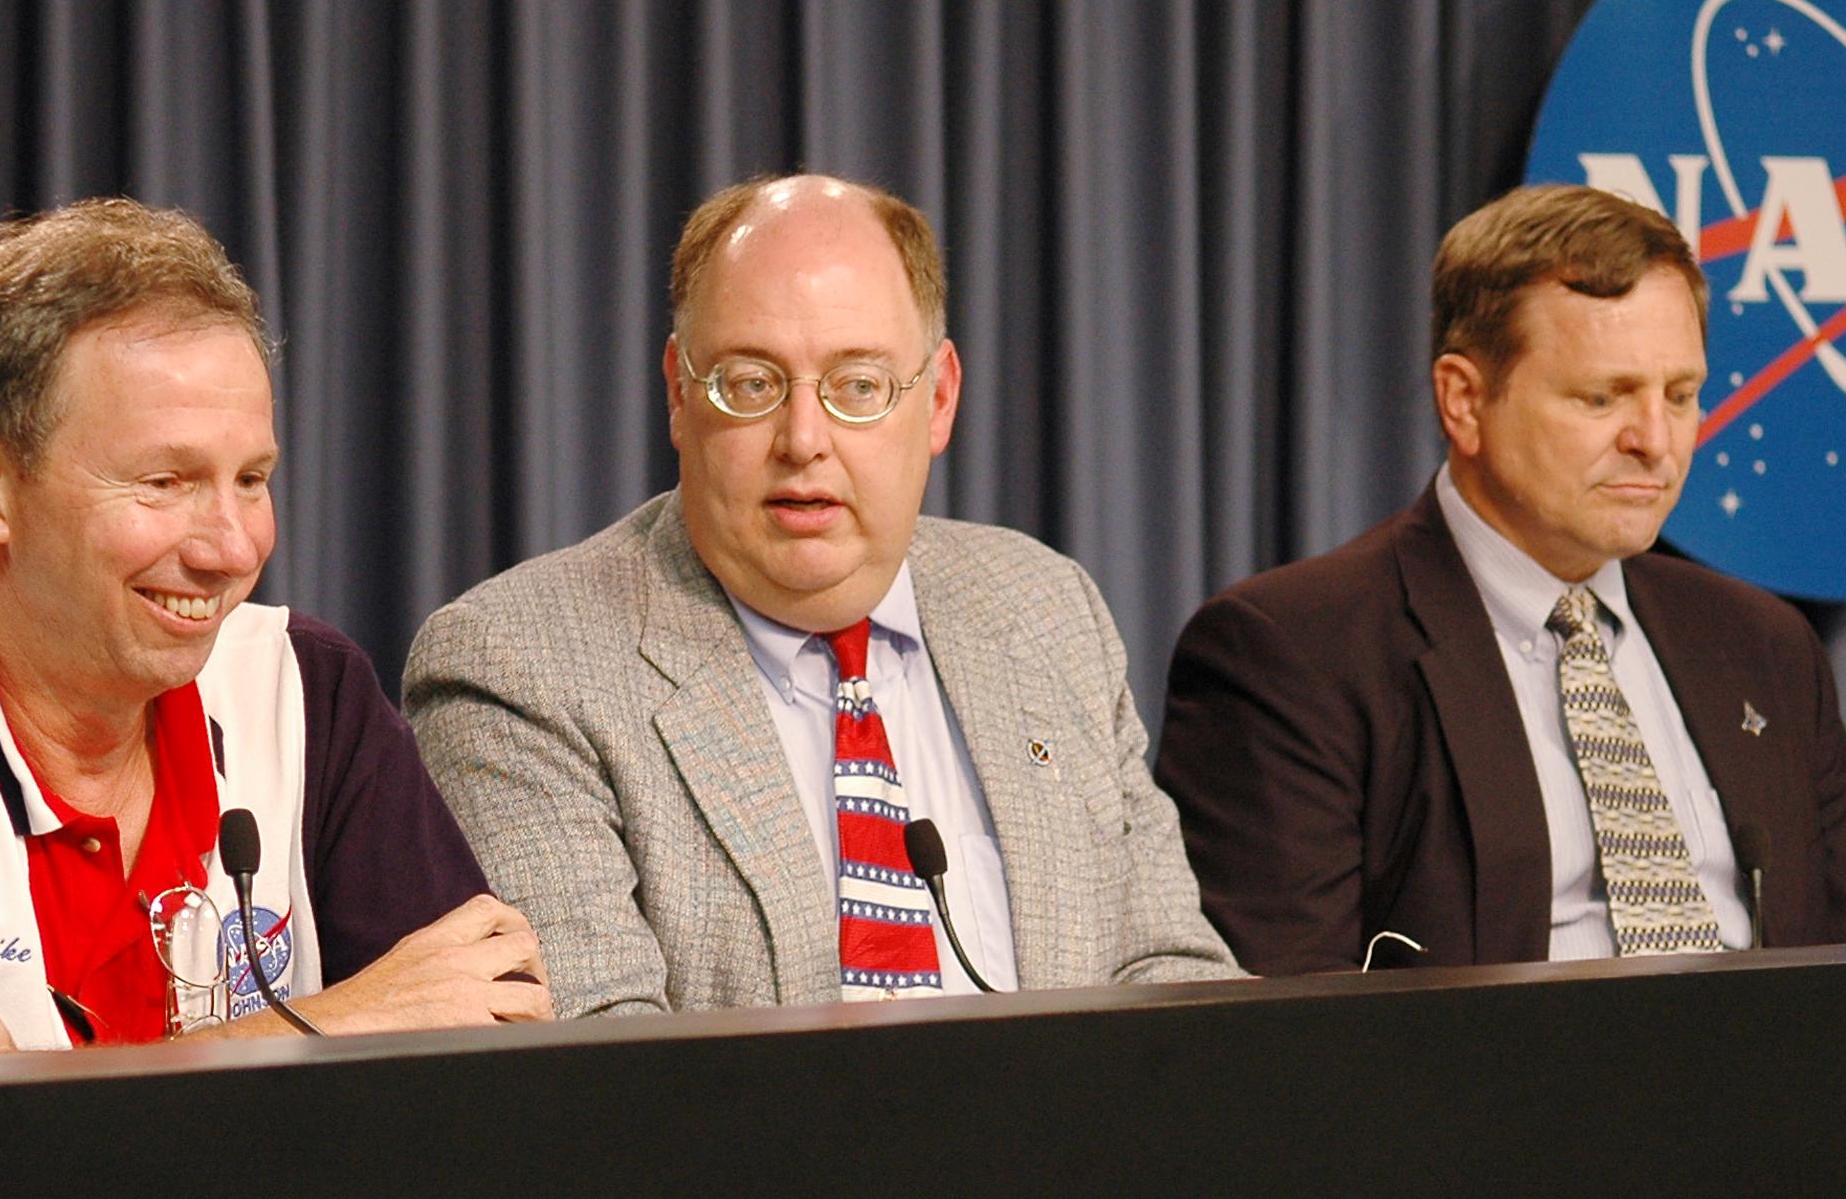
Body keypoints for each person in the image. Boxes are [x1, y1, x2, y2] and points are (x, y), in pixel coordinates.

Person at [0, 199, 549, 1071]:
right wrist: (336, 1024)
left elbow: (487, 1064)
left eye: (251, 480)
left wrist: (22, 1082)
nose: (233, 550)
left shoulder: (305, 690)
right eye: (164, 482)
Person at [403, 173, 1236, 1012]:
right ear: (679, 394)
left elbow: (1169, 972)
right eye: (751, 383)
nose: (804, 440)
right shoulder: (524, 665)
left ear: (939, 398)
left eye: (859, 386)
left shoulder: (1047, 609)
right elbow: (599, 1061)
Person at [1154, 183, 1846, 974]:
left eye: (1681, 396)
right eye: (1602, 397)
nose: (1655, 440)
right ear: (1464, 401)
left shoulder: (1763, 645)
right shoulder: (1295, 654)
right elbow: (1288, 1016)